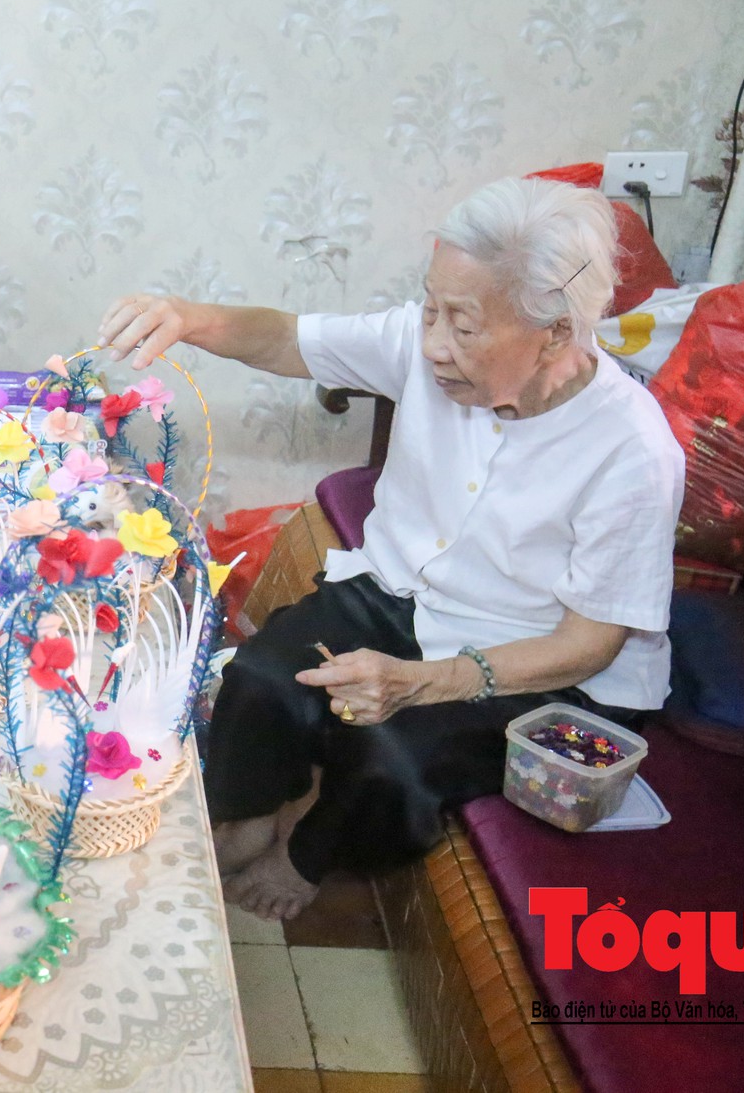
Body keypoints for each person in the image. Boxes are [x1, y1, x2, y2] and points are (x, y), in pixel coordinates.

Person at [97, 176, 683, 920]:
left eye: (464, 327)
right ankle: (245, 816)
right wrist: (189, 316)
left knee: (397, 761)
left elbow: (588, 644)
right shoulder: (425, 345)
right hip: (401, 590)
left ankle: (304, 859)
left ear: (557, 334)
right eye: (431, 309)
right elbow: (284, 338)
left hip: (533, 655)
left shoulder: (633, 452)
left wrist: (425, 681)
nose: (433, 344)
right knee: (263, 676)